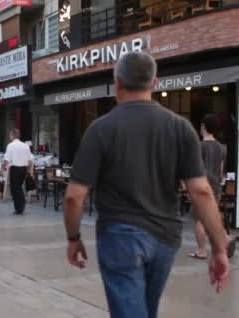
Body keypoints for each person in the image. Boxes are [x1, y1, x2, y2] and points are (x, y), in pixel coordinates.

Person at [63, 52, 230, 318]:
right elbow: (200, 191)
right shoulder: (181, 128)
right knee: (144, 310)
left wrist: (73, 238)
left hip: (119, 236)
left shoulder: (101, 129)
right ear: (154, 82)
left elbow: (74, 196)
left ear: (116, 83)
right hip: (165, 237)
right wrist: (219, 248)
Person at [190, 114, 236, 259]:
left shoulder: (199, 146)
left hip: (201, 187)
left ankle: (201, 251)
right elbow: (221, 172)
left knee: (199, 219)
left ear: (203, 127)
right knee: (212, 216)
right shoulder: (222, 148)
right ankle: (227, 239)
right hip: (215, 187)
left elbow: (193, 169)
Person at [2, 129, 33, 215]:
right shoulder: (25, 146)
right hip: (23, 168)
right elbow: (30, 161)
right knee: (19, 187)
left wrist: (2, 168)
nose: (9, 136)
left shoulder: (10, 146)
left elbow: (6, 159)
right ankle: (21, 205)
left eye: (10, 135)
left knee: (15, 189)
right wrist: (27, 171)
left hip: (15, 169)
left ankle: (19, 208)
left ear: (12, 135)